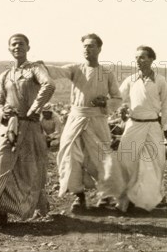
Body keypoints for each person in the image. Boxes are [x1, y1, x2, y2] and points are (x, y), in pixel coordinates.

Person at [0, 34, 56, 227]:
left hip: (30, 126)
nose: (17, 46)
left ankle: (29, 206)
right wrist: (3, 113)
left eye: (21, 43)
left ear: (28, 47)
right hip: (7, 126)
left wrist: (35, 108)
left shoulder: (36, 68)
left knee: (29, 169)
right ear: (9, 49)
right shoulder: (5, 75)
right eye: (13, 44)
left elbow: (49, 85)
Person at [43, 33, 123, 211]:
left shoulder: (107, 73)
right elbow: (57, 71)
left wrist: (105, 102)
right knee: (70, 156)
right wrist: (38, 66)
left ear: (100, 49)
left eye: (91, 46)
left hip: (97, 120)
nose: (87, 49)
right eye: (85, 46)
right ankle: (79, 196)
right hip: (76, 118)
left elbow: (118, 98)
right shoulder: (75, 69)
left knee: (102, 158)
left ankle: (107, 196)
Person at [115, 46, 167, 212]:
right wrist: (119, 108)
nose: (138, 61)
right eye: (137, 57)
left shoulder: (160, 81)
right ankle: (125, 200)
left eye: (142, 57)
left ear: (152, 59)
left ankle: (149, 199)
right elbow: (118, 97)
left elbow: (166, 105)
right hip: (133, 125)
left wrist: (165, 126)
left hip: (153, 125)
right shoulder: (131, 80)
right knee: (126, 159)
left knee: (153, 162)